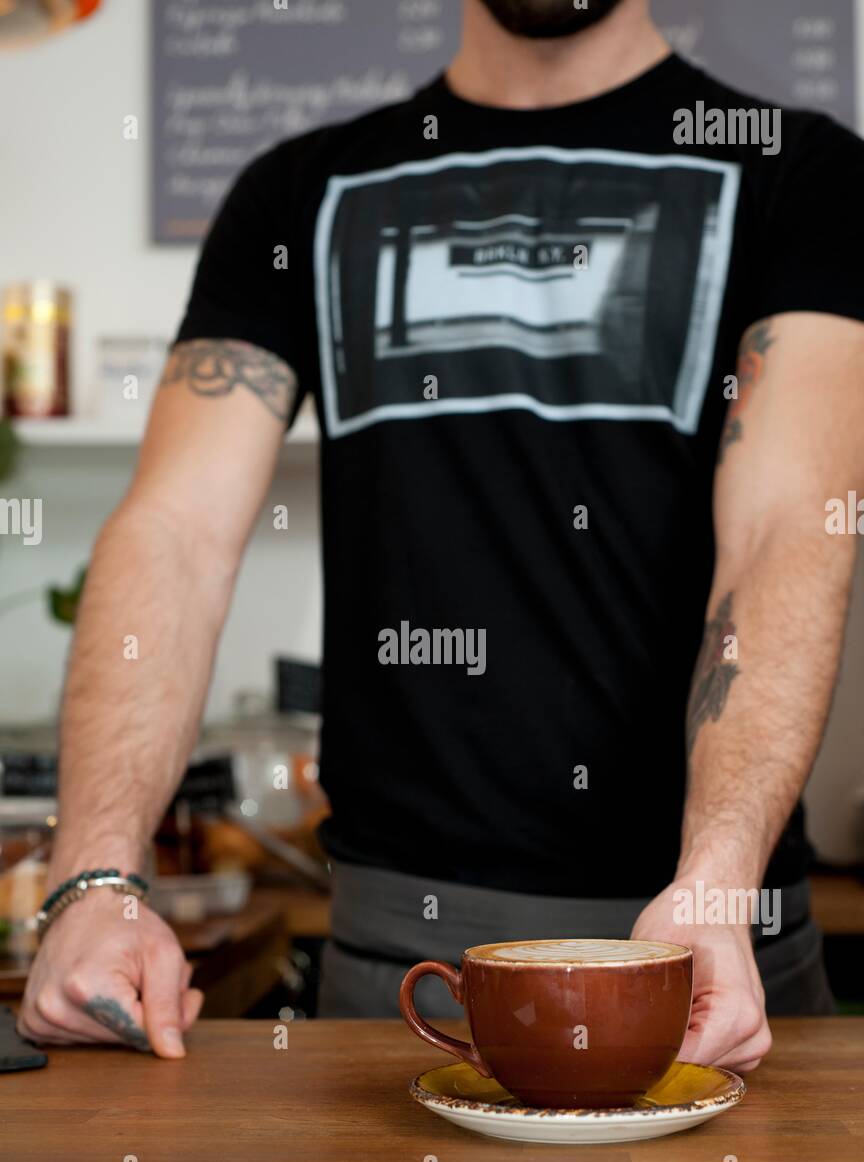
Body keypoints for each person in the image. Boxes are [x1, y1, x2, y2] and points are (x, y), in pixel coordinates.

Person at [19, 0, 864, 1075]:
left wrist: (716, 878)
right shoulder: (301, 191)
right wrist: (94, 880)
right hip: (409, 973)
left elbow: (788, 527)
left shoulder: (804, 176)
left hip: (720, 956)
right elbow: (175, 534)